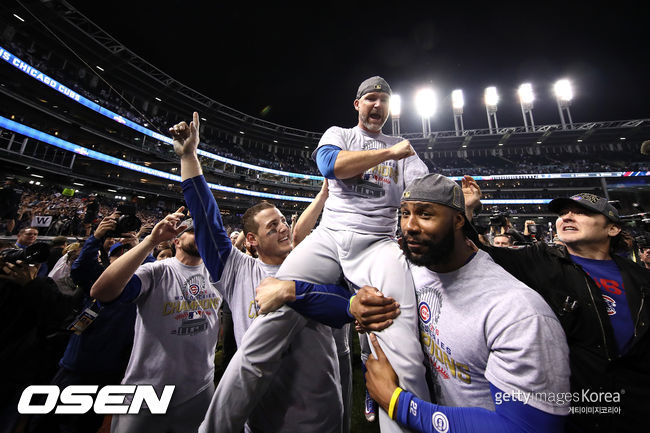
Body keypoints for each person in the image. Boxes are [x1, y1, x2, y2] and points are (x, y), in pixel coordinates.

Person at [211, 75, 430, 433]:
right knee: (265, 328)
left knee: (398, 338)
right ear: (357, 104)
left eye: (384, 100)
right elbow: (330, 166)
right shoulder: (342, 135)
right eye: (371, 98)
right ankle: (214, 428)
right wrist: (390, 153)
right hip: (329, 237)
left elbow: (422, 190)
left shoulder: (405, 148)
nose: (377, 105)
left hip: (378, 243)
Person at [170, 113, 384, 433]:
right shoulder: (237, 271)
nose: (284, 228)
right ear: (252, 240)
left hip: (319, 417)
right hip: (260, 419)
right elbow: (205, 218)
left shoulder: (317, 262)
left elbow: (348, 305)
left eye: (283, 220)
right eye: (273, 226)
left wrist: (293, 292)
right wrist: (189, 157)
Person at [356, 174, 570, 433]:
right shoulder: (414, 267)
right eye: (404, 213)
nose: (409, 226)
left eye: (425, 214)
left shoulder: (519, 312)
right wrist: (356, 305)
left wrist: (397, 403)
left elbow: (528, 428)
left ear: (459, 220)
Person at [462, 180, 650, 433]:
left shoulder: (640, 277)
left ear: (613, 228)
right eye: (563, 213)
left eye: (582, 212)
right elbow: (478, 252)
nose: (567, 217)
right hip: (572, 412)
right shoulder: (540, 260)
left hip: (635, 411)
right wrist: (467, 210)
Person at [90, 210, 222, 433]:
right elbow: (101, 291)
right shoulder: (156, 270)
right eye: (193, 232)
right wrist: (151, 240)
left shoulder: (218, 276)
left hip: (200, 387)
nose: (201, 236)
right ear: (177, 241)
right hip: (148, 389)